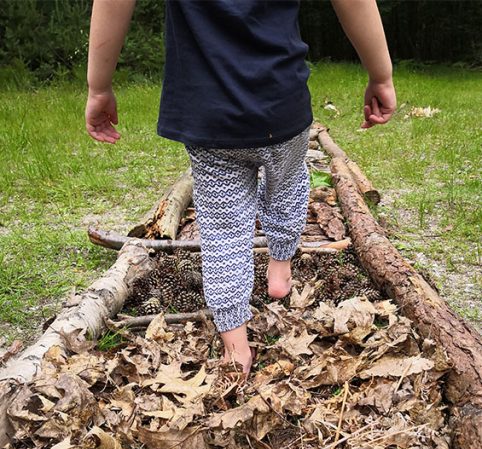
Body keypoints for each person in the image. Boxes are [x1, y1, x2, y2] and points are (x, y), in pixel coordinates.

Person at [85, 0, 396, 377]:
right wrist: (380, 75)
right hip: (282, 105)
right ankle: (280, 268)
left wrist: (99, 86)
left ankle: (237, 349)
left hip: (208, 113)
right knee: (287, 185)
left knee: (224, 232)